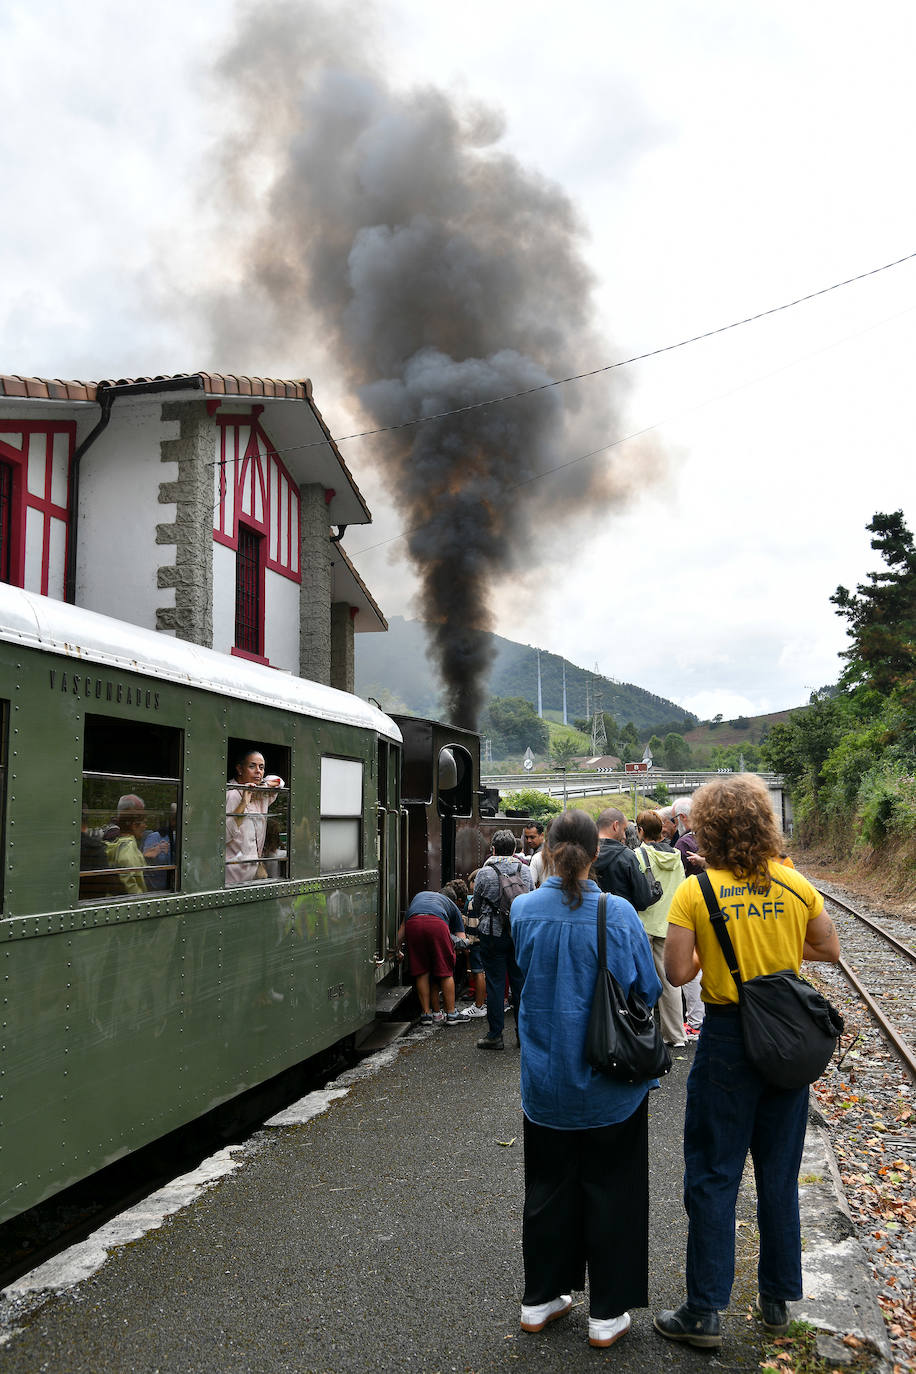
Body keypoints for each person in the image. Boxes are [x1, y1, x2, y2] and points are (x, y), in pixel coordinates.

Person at [655, 775, 840, 1351]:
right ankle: (777, 1302)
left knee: (714, 1175)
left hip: (730, 1041)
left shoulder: (697, 891)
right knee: (778, 1176)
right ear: (766, 824)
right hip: (785, 1041)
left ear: (706, 826)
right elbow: (828, 950)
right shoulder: (795, 883)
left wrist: (720, 948)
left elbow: (679, 975)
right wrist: (778, 948)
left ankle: (705, 1312)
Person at [512, 809, 662, 1349]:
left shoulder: (523, 909)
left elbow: (524, 978)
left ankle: (540, 1300)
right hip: (609, 1085)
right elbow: (646, 986)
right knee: (613, 1190)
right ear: (596, 853)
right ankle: (606, 1314)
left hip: (545, 1083)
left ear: (547, 850)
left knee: (548, 1190)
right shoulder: (617, 913)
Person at [473, 829, 533, 1050]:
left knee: (496, 984)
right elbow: (531, 900)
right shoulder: (525, 871)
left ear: (494, 849)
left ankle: (495, 1035)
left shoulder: (484, 873)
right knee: (520, 983)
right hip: (518, 934)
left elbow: (477, 904)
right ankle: (523, 1035)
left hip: (492, 934)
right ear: (516, 849)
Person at [633, 810, 686, 1047]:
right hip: (670, 924)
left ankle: (641, 1031)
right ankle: (676, 1036)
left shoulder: (637, 854)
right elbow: (682, 889)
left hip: (644, 923)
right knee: (670, 982)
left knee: (640, 980)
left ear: (641, 831)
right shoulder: (676, 855)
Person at [395, 889, 465, 1026]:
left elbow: (402, 929)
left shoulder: (419, 897)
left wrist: (396, 950)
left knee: (422, 971)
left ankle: (426, 1014)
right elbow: (461, 940)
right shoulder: (452, 905)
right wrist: (452, 952)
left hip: (413, 924)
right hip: (437, 924)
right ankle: (451, 1013)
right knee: (446, 972)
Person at [225, 749, 284, 885]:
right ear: (240, 769)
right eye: (252, 766)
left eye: (261, 767)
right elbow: (225, 835)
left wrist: (263, 785)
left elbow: (280, 782)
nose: (258, 771)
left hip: (254, 872)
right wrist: (243, 802)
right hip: (233, 874)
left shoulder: (261, 794)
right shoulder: (232, 794)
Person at [672, 797, 705, 1036]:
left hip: (690, 906)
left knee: (691, 963)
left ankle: (695, 1020)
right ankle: (700, 1016)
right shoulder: (709, 838)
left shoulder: (683, 843)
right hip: (715, 904)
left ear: (682, 818)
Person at [593, 808, 662, 911]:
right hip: (622, 919)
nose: (624, 836)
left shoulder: (583, 855)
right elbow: (643, 900)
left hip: (592, 920)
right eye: (624, 830)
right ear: (615, 826)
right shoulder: (627, 857)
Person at [105, 794, 148, 895]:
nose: (145, 826)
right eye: (141, 820)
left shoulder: (114, 842)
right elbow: (131, 885)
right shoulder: (128, 848)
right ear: (133, 825)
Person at [524, 821, 548, 888]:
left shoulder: (540, 855)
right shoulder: (537, 850)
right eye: (526, 837)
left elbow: (531, 883)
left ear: (542, 835)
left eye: (532, 837)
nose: (529, 840)